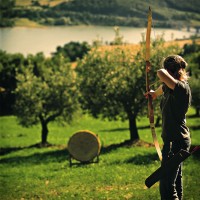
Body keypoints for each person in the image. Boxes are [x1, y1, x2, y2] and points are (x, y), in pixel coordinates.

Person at [146, 55, 192, 200]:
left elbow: (161, 74)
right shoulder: (171, 88)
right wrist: (154, 94)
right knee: (175, 181)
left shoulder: (181, 89)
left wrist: (154, 68)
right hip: (176, 140)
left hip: (176, 141)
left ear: (169, 71)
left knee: (166, 185)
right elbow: (163, 87)